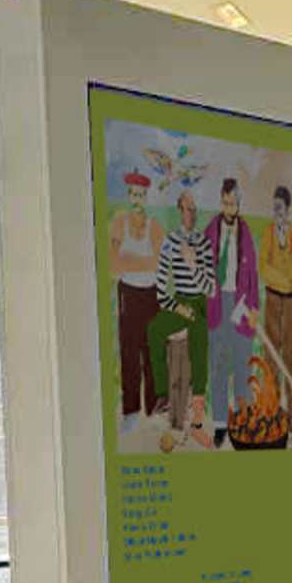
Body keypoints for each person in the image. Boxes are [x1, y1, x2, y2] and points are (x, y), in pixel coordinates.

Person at [153, 178, 217, 447]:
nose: (191, 214)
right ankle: (163, 395)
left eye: (195, 210)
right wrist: (177, 307)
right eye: (187, 209)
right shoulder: (170, 242)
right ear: (179, 210)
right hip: (180, 302)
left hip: (198, 302)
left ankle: (198, 422)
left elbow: (210, 288)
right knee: (154, 330)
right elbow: (159, 287)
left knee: (199, 340)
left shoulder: (203, 244)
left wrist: (193, 265)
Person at [106, 164, 164, 430]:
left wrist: (132, 260)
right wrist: (143, 262)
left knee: (153, 351)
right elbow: (113, 266)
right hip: (128, 293)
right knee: (129, 353)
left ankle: (154, 407)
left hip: (152, 294)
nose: (137, 199)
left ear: (147, 196)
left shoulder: (154, 227)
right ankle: (131, 410)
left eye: (142, 194)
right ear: (129, 195)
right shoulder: (119, 223)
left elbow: (159, 264)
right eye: (133, 194)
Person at [209, 173, 264, 441]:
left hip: (240, 305)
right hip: (218, 305)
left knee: (242, 366)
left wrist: (253, 308)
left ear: (239, 204)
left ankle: (243, 419)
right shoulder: (212, 229)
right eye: (225, 203)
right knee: (218, 366)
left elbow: (252, 274)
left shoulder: (246, 233)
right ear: (221, 202)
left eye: (233, 203)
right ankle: (221, 423)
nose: (229, 208)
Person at [259, 178, 292, 439]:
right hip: (273, 299)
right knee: (271, 357)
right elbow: (263, 268)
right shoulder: (267, 233)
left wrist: (287, 281)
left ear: (287, 209)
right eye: (274, 207)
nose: (277, 211)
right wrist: (283, 280)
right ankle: (272, 416)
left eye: (280, 207)